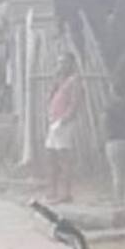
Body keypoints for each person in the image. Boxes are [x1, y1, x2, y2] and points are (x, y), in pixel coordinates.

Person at [46, 52, 81, 203]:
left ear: (71, 64)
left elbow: (74, 103)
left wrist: (64, 120)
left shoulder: (74, 81)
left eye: (64, 62)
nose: (61, 66)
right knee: (52, 157)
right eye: (59, 62)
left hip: (63, 124)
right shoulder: (60, 81)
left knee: (64, 159)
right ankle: (53, 191)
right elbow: (50, 97)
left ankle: (66, 193)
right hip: (54, 123)